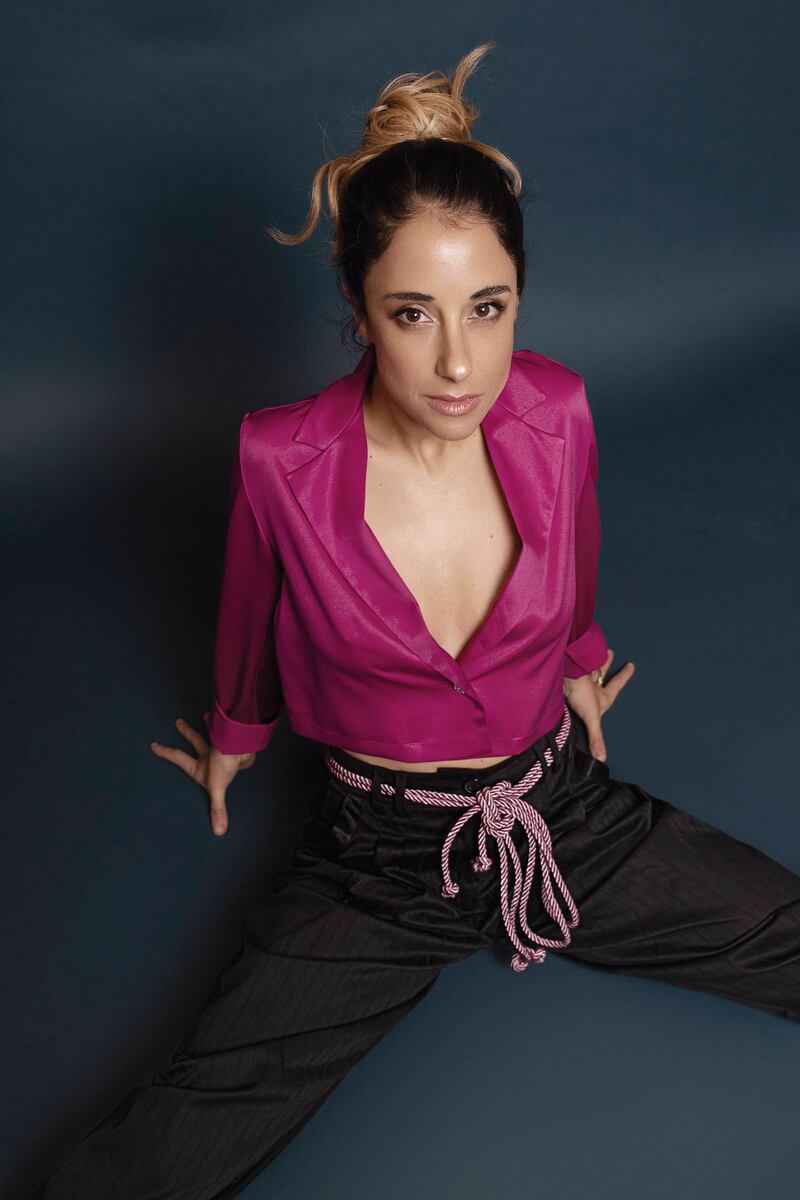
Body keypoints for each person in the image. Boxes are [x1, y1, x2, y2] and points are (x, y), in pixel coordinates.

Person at [33, 39, 800, 1200]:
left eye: (487, 310)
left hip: (558, 808)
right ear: (357, 310)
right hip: (378, 859)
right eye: (412, 314)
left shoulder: (557, 411)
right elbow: (248, 614)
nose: (456, 364)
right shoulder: (279, 460)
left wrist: (578, 659)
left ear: (517, 298)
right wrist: (234, 738)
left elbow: (573, 553)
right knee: (171, 1142)